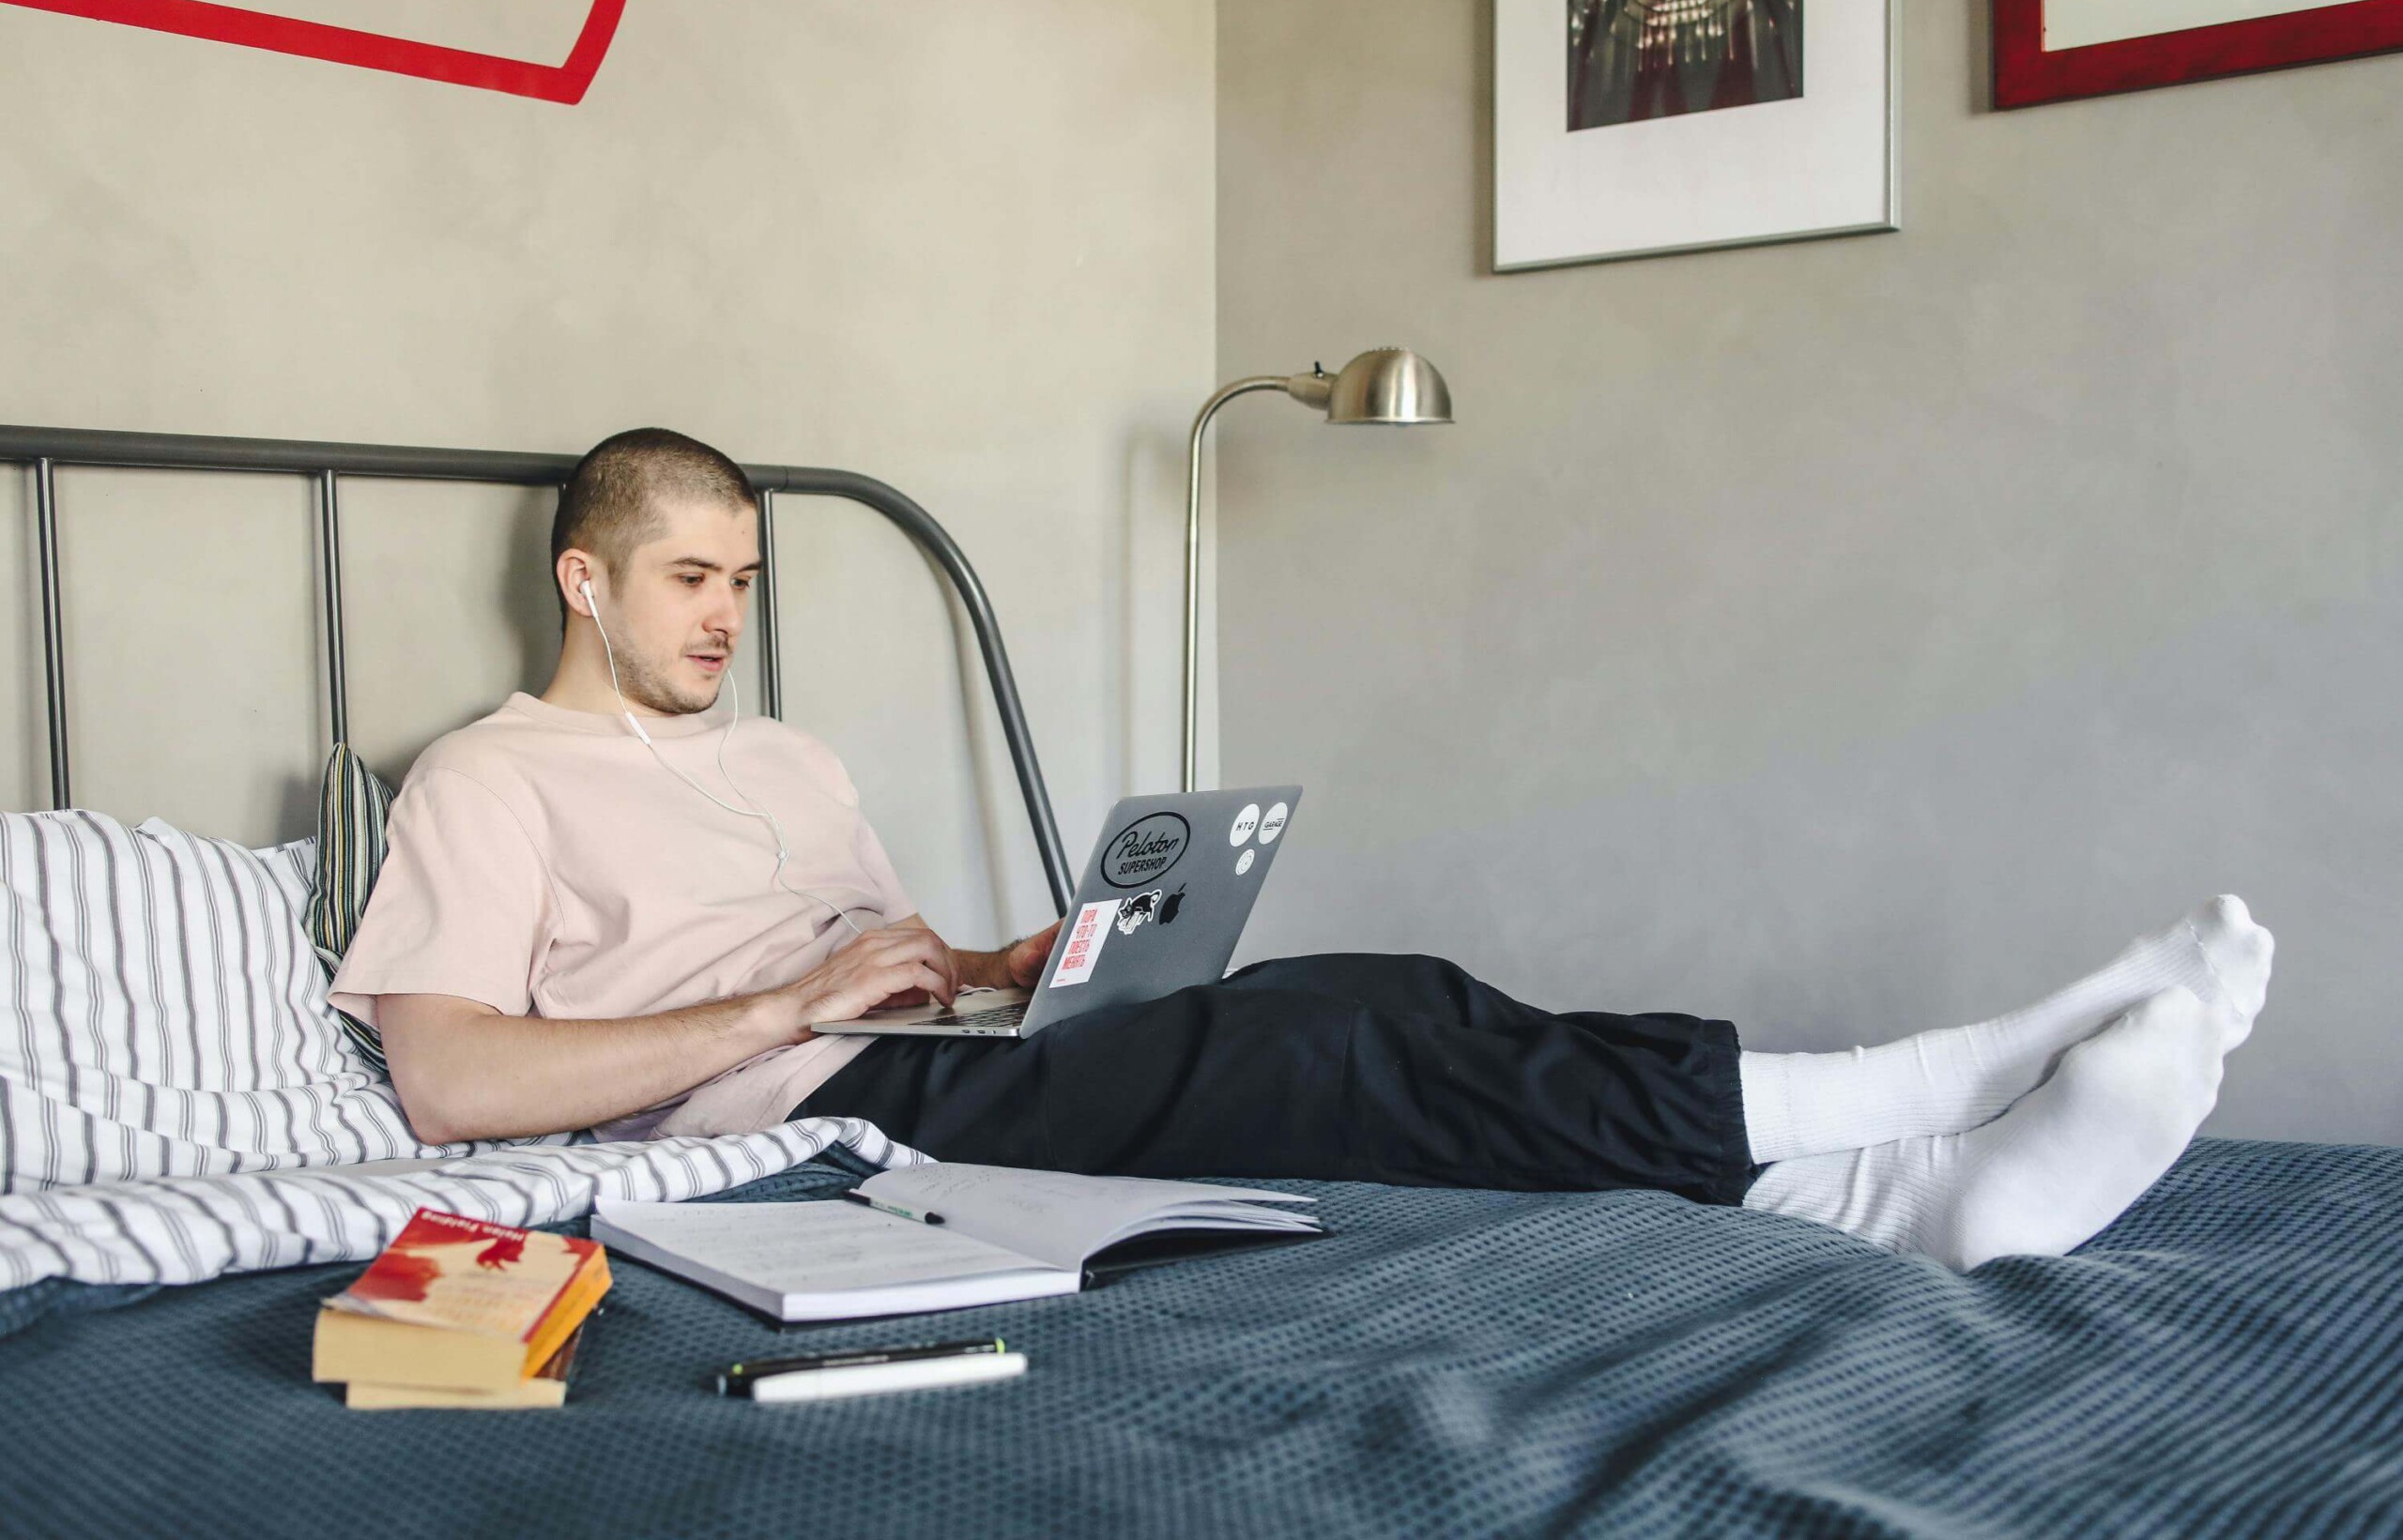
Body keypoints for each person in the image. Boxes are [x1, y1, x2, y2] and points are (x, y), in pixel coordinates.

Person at [332, 429, 2275, 1273]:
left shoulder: (782, 747)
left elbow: (889, 945)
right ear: (581, 576)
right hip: (817, 1122)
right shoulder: (485, 781)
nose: (723, 615)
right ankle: (1909, 1103)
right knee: (1334, 1047)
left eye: (747, 578)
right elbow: (447, 1073)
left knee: (1385, 997)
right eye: (689, 578)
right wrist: (785, 998)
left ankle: (1868, 1199)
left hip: (932, 1050)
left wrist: (1024, 958)